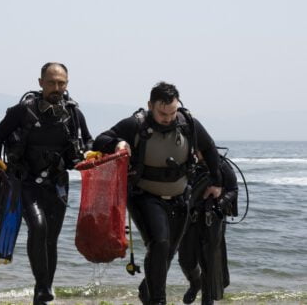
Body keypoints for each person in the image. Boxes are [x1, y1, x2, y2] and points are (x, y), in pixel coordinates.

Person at [92, 81, 223, 305]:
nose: (168, 118)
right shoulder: (135, 124)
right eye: (163, 113)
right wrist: (119, 143)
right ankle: (157, 301)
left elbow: (210, 149)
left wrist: (217, 182)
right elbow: (99, 140)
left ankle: (150, 291)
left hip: (181, 197)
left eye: (172, 112)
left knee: (168, 253)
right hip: (144, 196)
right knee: (159, 244)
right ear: (150, 105)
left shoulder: (188, 123)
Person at [0, 62, 93, 305]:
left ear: (67, 84)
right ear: (40, 83)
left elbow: (88, 140)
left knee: (51, 239)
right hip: (25, 182)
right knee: (38, 228)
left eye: (61, 83)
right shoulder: (23, 111)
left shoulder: (73, 113)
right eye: (51, 82)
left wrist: (89, 153)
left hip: (57, 184)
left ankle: (43, 290)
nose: (56, 87)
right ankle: (43, 288)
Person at [178, 153, 238, 305]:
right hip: (190, 218)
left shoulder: (221, 164)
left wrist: (219, 205)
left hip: (213, 219)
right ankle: (195, 284)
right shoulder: (186, 162)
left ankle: (207, 299)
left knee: (208, 261)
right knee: (186, 260)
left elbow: (233, 190)